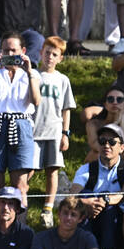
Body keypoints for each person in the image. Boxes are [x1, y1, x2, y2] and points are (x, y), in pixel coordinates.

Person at [0, 33, 40, 201]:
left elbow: (36, 100)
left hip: (20, 124)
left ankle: (20, 226)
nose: (10, 55)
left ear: (23, 51)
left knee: (20, 186)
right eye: (6, 51)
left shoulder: (32, 74)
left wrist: (29, 71)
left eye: (14, 51)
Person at [69, 122, 124, 249]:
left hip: (118, 223)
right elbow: (72, 196)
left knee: (110, 206)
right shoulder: (86, 168)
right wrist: (88, 202)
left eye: (112, 142)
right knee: (85, 195)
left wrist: (105, 200)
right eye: (102, 141)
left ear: (121, 147)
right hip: (90, 216)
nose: (106, 145)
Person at [32, 37, 76, 228]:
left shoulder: (62, 80)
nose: (50, 57)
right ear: (41, 52)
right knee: (28, 170)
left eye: (54, 54)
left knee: (52, 170)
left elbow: (66, 108)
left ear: (60, 59)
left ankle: (48, 209)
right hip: (32, 131)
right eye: (47, 52)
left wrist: (65, 133)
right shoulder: (32, 75)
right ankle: (20, 204)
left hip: (54, 131)